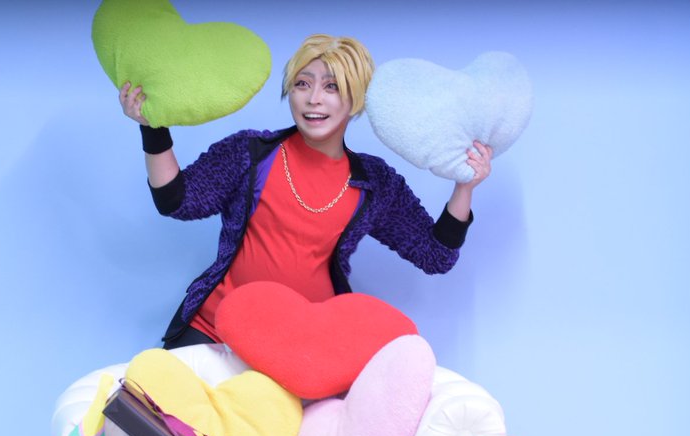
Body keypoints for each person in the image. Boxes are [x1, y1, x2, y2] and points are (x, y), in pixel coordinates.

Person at [119, 34, 492, 350]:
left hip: (298, 351)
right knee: (148, 406)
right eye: (302, 83)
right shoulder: (250, 153)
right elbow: (175, 199)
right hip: (213, 331)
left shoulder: (374, 183)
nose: (314, 98)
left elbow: (436, 255)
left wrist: (465, 185)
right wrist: (153, 128)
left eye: (332, 87)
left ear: (355, 99)